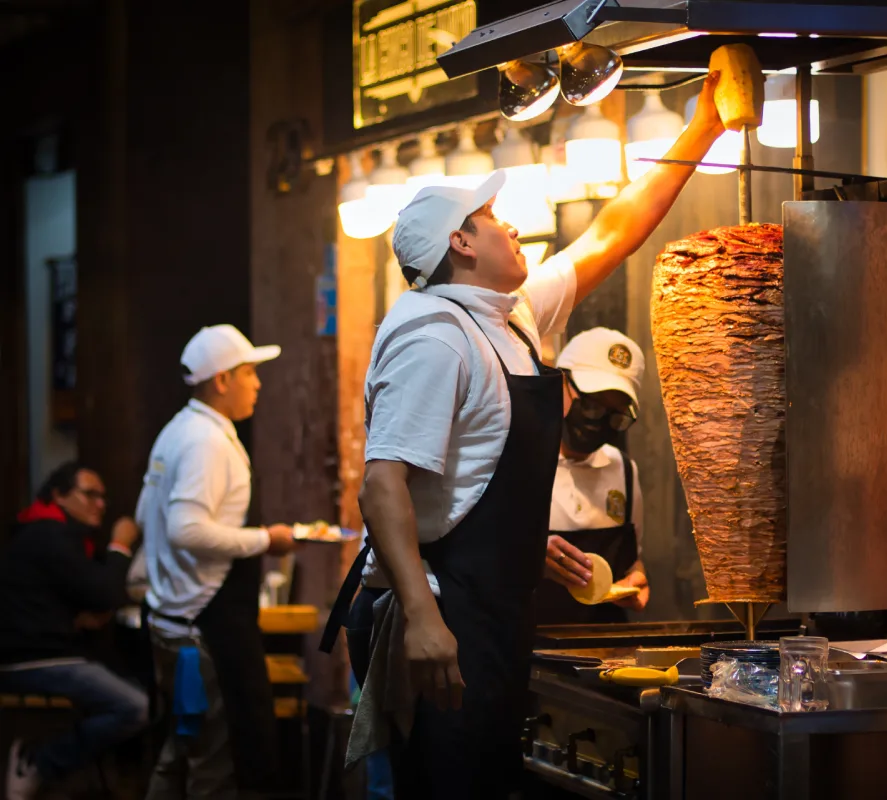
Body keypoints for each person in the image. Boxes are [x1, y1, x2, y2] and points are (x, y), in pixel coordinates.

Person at [321, 71, 727, 798]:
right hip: (441, 608)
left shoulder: (510, 315)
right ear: (460, 242)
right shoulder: (432, 335)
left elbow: (612, 234)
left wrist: (705, 127)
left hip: (495, 603)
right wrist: (422, 619)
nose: (510, 225)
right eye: (491, 217)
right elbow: (382, 487)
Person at [135, 324, 296, 800]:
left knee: (181, 748)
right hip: (201, 628)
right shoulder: (205, 441)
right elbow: (184, 530)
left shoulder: (177, 429)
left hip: (172, 619)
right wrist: (266, 540)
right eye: (249, 373)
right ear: (222, 380)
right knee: (214, 761)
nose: (258, 384)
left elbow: (145, 514)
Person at [0, 462, 149, 800]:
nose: (100, 504)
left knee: (140, 688)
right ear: (59, 495)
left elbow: (80, 594)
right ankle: (38, 761)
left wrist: (78, 614)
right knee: (136, 706)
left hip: (45, 652)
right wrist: (120, 546)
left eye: (103, 497)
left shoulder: (52, 533)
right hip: (33, 660)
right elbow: (104, 593)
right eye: (89, 494)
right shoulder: (49, 535)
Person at [535, 328, 649, 624]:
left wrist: (636, 578)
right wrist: (529, 557)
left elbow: (632, 560)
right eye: (590, 405)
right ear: (561, 384)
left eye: (615, 415)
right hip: (530, 641)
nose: (597, 423)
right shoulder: (519, 461)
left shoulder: (623, 469)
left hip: (605, 643)